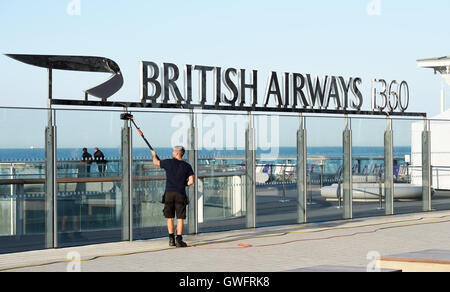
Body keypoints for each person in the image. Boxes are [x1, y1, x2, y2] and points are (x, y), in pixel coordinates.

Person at [151, 146, 194, 248]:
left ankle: (171, 240)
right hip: (180, 194)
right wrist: (184, 184)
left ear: (177, 153)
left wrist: (154, 155)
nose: (173, 153)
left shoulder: (169, 162)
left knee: (170, 217)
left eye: (174, 151)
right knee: (180, 218)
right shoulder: (187, 166)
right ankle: (179, 240)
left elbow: (156, 162)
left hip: (169, 193)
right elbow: (191, 181)